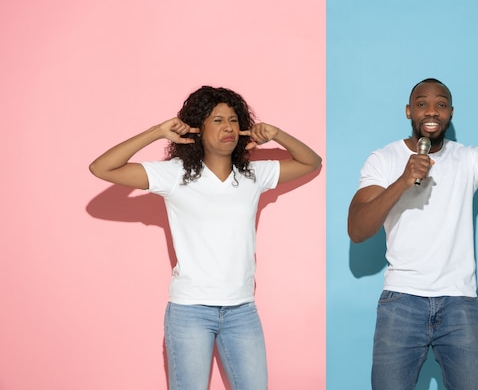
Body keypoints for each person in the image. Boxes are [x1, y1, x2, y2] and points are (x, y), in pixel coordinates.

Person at [89, 86, 322, 390]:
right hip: (190, 312)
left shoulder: (253, 174)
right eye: (217, 120)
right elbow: (101, 167)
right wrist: (157, 132)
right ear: (197, 128)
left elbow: (311, 162)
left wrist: (276, 134)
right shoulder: (173, 175)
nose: (229, 127)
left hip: (242, 310)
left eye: (234, 120)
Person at [347, 78, 478, 390]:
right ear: (408, 111)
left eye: (441, 104)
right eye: (422, 103)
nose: (432, 111)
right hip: (401, 301)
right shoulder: (384, 159)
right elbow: (358, 229)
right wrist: (402, 181)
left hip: (459, 304)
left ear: (451, 113)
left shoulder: (467, 157)